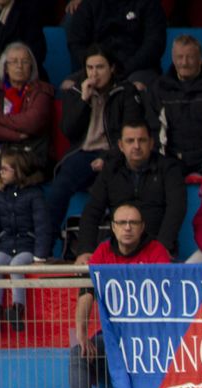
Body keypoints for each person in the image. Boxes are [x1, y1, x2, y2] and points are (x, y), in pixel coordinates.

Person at [68, 201, 171, 388]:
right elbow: (87, 290)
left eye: (133, 223)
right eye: (122, 223)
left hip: (150, 342)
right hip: (114, 340)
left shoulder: (157, 251)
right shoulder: (103, 251)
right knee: (78, 352)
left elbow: (168, 296)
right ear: (113, 227)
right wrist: (82, 332)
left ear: (142, 226)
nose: (127, 228)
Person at [48, 48, 143, 249]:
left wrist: (110, 158)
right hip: (82, 153)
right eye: (90, 67)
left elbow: (131, 135)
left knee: (109, 188)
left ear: (112, 68)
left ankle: (117, 250)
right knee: (59, 186)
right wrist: (84, 100)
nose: (94, 73)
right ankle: (44, 248)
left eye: (100, 67)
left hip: (115, 154)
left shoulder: (125, 92)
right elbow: (69, 131)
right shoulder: (76, 91)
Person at [73, 119, 185, 259]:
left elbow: (176, 209)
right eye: (130, 141)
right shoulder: (111, 170)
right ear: (121, 145)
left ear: (151, 143)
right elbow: (93, 210)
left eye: (142, 140)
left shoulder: (168, 168)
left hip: (157, 247)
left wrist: (162, 247)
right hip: (119, 248)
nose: (136, 146)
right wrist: (85, 250)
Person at [0, 144, 50, 332]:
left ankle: (17, 309)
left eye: (5, 168)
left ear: (18, 171)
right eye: (0, 168)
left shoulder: (34, 194)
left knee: (16, 265)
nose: (0, 172)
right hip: (6, 244)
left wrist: (39, 256)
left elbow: (42, 226)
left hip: (27, 245)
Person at [148, 34, 202, 180]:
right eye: (179, 57)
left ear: (200, 59)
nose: (184, 63)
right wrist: (160, 162)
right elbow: (155, 130)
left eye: (190, 57)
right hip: (173, 159)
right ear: (173, 58)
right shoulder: (160, 88)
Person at [0, 41, 52, 189]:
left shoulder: (41, 91)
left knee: (11, 170)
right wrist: (14, 135)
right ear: (6, 67)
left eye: (25, 61)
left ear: (31, 67)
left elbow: (32, 122)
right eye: (14, 62)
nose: (19, 66)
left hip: (29, 151)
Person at [65, 0, 164, 89]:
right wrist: (95, 65)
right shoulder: (90, 4)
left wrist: (123, 69)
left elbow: (154, 44)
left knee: (134, 88)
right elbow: (76, 42)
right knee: (68, 86)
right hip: (99, 66)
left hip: (138, 68)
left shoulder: (150, 3)